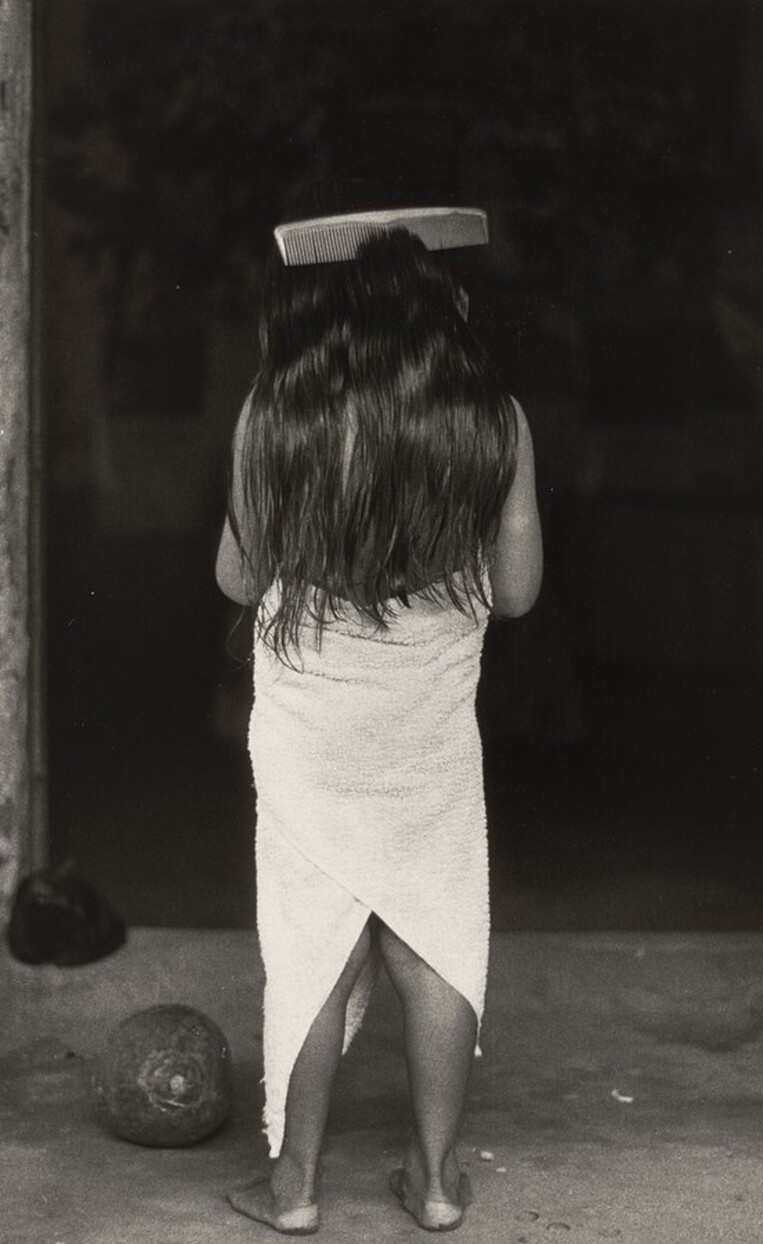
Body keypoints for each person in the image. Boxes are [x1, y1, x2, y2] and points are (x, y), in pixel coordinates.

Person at [215, 184, 542, 1235]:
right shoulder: (493, 418)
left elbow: (237, 576)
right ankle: (439, 1178)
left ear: (325, 313)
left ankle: (295, 1182)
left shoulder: (276, 409)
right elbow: (522, 589)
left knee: (314, 935)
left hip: (313, 724)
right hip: (427, 726)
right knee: (434, 934)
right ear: (437, 305)